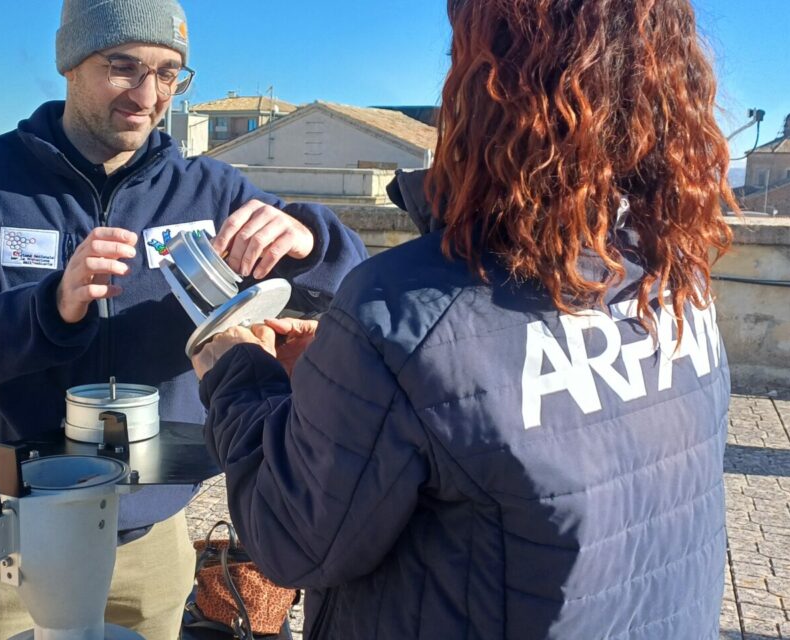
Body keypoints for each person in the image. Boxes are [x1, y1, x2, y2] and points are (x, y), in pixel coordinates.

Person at [192, 0, 736, 637]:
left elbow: (291, 539)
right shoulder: (675, 277)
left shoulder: (400, 313)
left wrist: (236, 374)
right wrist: (349, 382)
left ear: (490, 88)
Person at [0, 0, 366, 637]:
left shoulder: (211, 190)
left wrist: (311, 241)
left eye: (169, 73)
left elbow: (345, 290)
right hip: (11, 536)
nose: (147, 95)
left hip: (152, 542)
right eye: (123, 66)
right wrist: (51, 306)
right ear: (70, 62)